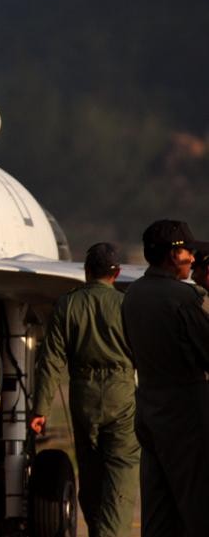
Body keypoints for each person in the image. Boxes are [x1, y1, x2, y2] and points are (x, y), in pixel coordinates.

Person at [29, 242, 139, 537]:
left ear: (87, 271)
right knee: (121, 477)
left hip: (84, 395)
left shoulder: (68, 304)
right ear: (116, 274)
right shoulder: (127, 305)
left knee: (90, 479)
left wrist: (40, 409)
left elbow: (50, 360)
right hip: (122, 395)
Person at [122, 219, 209, 537]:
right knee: (198, 505)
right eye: (188, 252)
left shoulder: (133, 295)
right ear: (173, 256)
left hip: (149, 407)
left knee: (159, 511)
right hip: (186, 411)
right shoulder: (184, 299)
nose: (192, 259)